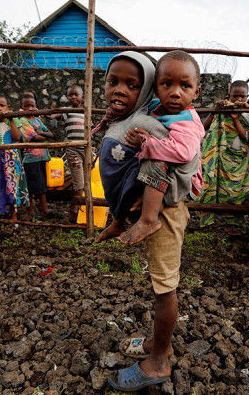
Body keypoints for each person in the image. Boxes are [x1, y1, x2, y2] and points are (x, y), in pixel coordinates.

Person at [93, 51, 197, 392]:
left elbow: (178, 157)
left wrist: (148, 146)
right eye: (113, 81)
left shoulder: (159, 125)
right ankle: (157, 344)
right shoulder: (143, 117)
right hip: (147, 205)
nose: (119, 90)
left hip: (164, 214)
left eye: (132, 84)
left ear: (146, 88)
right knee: (157, 285)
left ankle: (158, 361)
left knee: (164, 289)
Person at [93, 51, 203, 246]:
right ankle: (119, 220)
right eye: (167, 84)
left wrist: (147, 144)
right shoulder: (153, 108)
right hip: (157, 184)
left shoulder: (186, 121)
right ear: (154, 88)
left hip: (177, 185)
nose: (175, 92)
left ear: (196, 92)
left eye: (185, 86)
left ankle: (148, 219)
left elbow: (184, 153)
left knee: (155, 161)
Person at [197, 80, 249, 230]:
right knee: (216, 184)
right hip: (221, 157)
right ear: (228, 96)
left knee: (238, 189)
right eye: (235, 96)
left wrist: (248, 105)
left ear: (247, 96)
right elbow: (204, 127)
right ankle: (212, 217)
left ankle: (233, 224)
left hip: (241, 159)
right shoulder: (223, 110)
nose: (238, 100)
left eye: (242, 97)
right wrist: (216, 110)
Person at [18, 94, 54, 217]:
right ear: (22, 108)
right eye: (27, 106)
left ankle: (43, 209)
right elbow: (34, 137)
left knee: (42, 183)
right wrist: (41, 134)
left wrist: (39, 133)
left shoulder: (37, 120)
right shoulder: (23, 120)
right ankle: (33, 210)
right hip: (30, 158)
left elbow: (51, 134)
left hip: (42, 156)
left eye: (32, 105)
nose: (30, 108)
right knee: (32, 184)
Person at [62, 85, 86, 221]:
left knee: (86, 181)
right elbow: (52, 114)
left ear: (82, 97)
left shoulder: (86, 111)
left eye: (76, 94)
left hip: (86, 149)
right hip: (73, 149)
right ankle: (73, 211)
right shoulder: (66, 111)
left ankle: (81, 210)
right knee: (79, 182)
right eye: (70, 95)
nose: (73, 97)